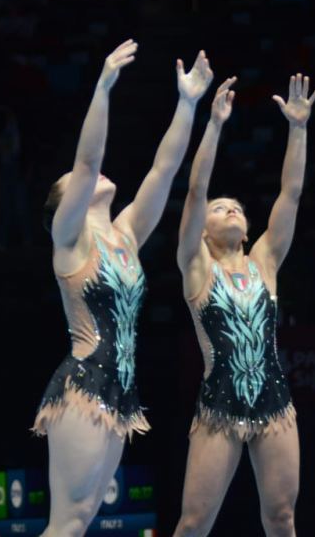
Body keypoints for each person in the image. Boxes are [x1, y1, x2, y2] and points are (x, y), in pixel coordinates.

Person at [33, 39, 214, 537]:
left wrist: (188, 103)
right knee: (66, 522)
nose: (87, 174)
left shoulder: (126, 233)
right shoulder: (69, 237)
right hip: (86, 385)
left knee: (83, 518)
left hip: (120, 391)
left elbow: (164, 170)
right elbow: (88, 161)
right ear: (63, 203)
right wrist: (104, 86)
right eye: (73, 178)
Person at [173, 72, 315, 537]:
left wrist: (298, 128)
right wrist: (213, 124)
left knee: (281, 518)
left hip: (275, 404)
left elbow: (291, 194)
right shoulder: (196, 266)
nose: (230, 209)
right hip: (220, 406)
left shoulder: (265, 262)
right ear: (201, 229)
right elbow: (195, 192)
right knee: (195, 523)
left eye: (236, 206)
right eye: (220, 208)